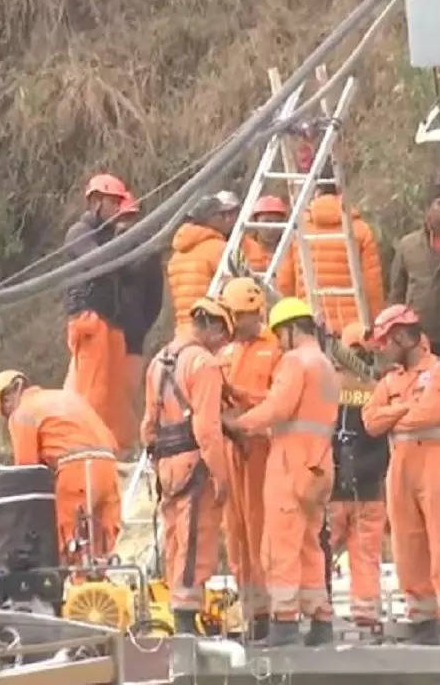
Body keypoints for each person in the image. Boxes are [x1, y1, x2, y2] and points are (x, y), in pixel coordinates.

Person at [224, 297, 339, 647]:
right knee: (309, 544)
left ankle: (285, 622)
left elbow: (279, 406)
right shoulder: (325, 365)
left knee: (279, 544)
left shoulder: (293, 361)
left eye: (279, 334)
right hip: (319, 463)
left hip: (290, 462)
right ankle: (320, 621)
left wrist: (239, 424)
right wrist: (243, 394)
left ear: (289, 330)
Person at [361, 305, 440, 645]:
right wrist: (402, 409)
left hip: (436, 463)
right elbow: (371, 422)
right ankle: (421, 616)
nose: (382, 349)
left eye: (386, 342)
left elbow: (428, 414)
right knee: (407, 543)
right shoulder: (391, 379)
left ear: (404, 337)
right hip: (401, 467)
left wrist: (394, 413)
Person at [140, 298, 233, 634]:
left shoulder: (158, 363)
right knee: (196, 539)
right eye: (223, 333)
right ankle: (184, 620)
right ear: (213, 325)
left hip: (166, 463)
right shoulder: (203, 364)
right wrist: (221, 474)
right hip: (195, 464)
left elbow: (148, 424)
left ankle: (178, 610)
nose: (223, 342)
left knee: (175, 538)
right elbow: (207, 429)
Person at [0, 370, 122, 566]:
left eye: (5, 411)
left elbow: (28, 472)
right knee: (100, 548)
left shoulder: (22, 413)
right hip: (108, 468)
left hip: (75, 472)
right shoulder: (67, 397)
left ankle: (78, 593)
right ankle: (102, 592)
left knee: (72, 545)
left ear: (8, 397)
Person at [216, 277, 281, 640]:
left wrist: (241, 404)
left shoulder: (273, 349)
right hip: (230, 447)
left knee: (260, 529)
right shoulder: (224, 352)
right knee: (236, 530)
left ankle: (267, 610)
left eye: (248, 315)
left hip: (259, 446)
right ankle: (249, 607)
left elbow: (277, 399)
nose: (244, 322)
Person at [63, 173, 135, 449]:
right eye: (113, 202)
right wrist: (121, 241)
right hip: (89, 317)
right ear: (95, 202)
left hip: (111, 319)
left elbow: (127, 273)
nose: (118, 209)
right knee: (93, 388)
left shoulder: (108, 235)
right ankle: (86, 443)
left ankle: (111, 444)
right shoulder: (80, 232)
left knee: (113, 392)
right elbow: (99, 261)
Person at [328, 322, 389, 629]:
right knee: (365, 558)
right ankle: (365, 617)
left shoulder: (327, 386)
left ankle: (316, 613)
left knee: (317, 554)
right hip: (369, 488)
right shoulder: (380, 389)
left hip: (331, 489)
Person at [277, 170, 383, 334]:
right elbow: (372, 286)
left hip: (309, 322)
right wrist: (376, 324)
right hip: (352, 328)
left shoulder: (298, 229)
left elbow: (285, 283)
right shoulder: (360, 229)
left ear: (316, 191)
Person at [388, 183, 440, 378]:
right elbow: (396, 293)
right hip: (418, 338)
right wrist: (395, 331)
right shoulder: (408, 245)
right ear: (428, 208)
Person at [115, 191, 165, 452]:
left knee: (125, 389)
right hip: (123, 327)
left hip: (128, 329)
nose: (125, 226)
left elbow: (155, 297)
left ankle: (126, 442)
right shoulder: (148, 249)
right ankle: (122, 442)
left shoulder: (141, 252)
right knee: (121, 388)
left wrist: (139, 325)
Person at [167, 191, 240, 335]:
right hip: (212, 329)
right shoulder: (219, 249)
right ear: (210, 218)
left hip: (183, 329)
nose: (226, 219)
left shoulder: (177, 254)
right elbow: (238, 288)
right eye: (221, 215)